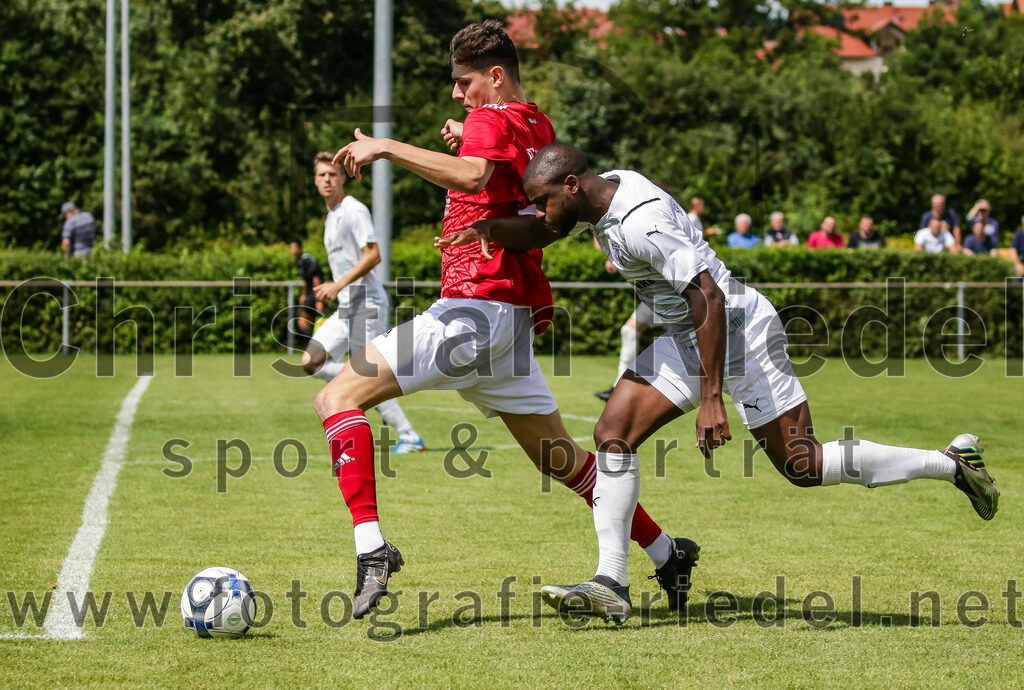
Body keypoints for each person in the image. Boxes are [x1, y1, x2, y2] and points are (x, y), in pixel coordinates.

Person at [443, 143, 999, 624]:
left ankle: (952, 463)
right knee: (613, 431)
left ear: (571, 185)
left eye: (543, 200)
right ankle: (611, 583)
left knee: (802, 465)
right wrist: (491, 229)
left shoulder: (639, 221)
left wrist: (712, 399)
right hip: (690, 337)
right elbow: (545, 228)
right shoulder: (601, 191)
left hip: (738, 331)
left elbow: (707, 295)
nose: (540, 212)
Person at [319, 21, 692, 619]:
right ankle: (667, 551)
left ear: (495, 75)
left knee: (337, 397)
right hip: (510, 322)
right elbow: (498, 172)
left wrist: (386, 147)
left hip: (472, 311)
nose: (457, 93)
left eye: (464, 82)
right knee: (560, 459)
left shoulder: (489, 121)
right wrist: (468, 135)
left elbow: (474, 175)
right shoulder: (536, 124)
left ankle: (372, 550)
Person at [300, 153, 425, 456]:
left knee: (364, 377)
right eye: (321, 175)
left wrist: (337, 284)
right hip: (346, 308)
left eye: (332, 174)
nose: (327, 180)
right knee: (310, 361)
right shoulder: (331, 218)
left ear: (342, 178)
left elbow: (373, 255)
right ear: (315, 181)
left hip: (367, 304)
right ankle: (363, 377)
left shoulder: (353, 210)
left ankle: (409, 436)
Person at [288, 238, 325, 338]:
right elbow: (306, 280)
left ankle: (318, 341)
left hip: (314, 294)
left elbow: (316, 278)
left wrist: (319, 299)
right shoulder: (298, 262)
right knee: (309, 324)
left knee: (304, 323)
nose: (292, 250)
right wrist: (303, 295)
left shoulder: (307, 260)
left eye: (294, 247)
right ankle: (316, 341)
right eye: (291, 248)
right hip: (309, 294)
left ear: (300, 248)